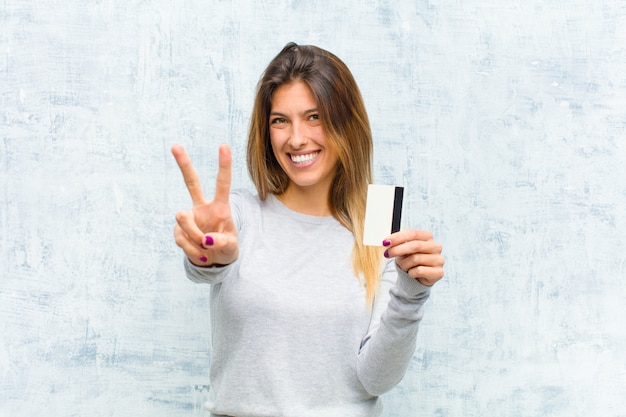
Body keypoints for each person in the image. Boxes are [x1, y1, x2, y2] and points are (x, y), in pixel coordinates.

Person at [172, 42, 444, 417]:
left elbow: (375, 380)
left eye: (314, 117)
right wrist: (207, 257)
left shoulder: (378, 225)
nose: (296, 138)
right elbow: (205, 262)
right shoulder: (240, 214)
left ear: (346, 123)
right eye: (280, 120)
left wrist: (412, 295)